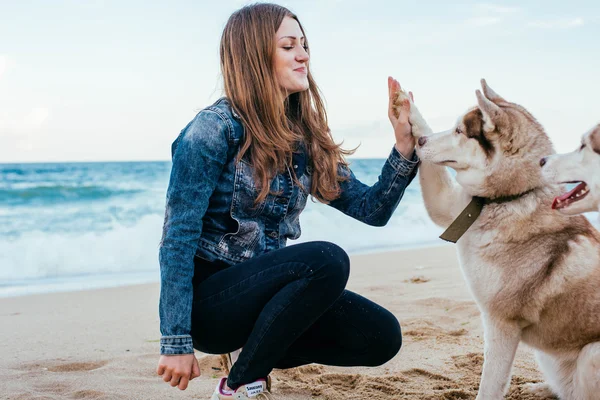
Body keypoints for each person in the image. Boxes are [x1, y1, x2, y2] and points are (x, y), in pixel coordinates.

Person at [156, 3, 418, 399]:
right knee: (328, 260)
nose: (303, 55)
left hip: (267, 301)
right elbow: (177, 239)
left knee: (381, 336)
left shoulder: (302, 139)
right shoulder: (211, 130)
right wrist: (176, 341)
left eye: (304, 44)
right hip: (211, 307)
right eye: (288, 46)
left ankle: (250, 358)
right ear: (255, 55)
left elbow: (372, 209)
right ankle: (240, 387)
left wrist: (403, 147)